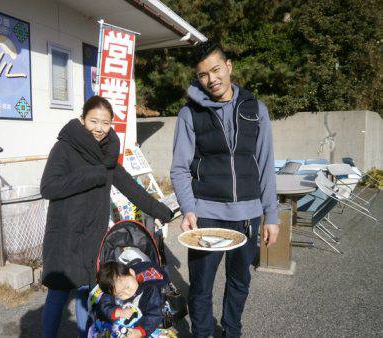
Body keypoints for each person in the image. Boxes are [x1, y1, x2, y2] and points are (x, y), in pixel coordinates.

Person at [170, 42, 279, 338]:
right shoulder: (189, 113)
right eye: (203, 74)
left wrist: (271, 215)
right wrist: (189, 209)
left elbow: (266, 163)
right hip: (207, 215)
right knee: (202, 285)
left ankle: (232, 331)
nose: (212, 79)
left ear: (228, 66)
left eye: (216, 69)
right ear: (198, 78)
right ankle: (203, 333)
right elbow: (179, 168)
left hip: (248, 215)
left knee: (240, 282)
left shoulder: (255, 108)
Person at [40, 95, 173, 338]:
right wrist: (95, 174)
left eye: (105, 123)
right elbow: (48, 187)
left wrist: (163, 212)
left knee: (87, 296)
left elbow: (131, 189)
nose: (99, 128)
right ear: (82, 120)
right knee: (57, 296)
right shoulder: (64, 147)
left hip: (93, 237)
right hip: (64, 238)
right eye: (93, 121)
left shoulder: (108, 154)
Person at [91, 261, 168, 338]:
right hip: (127, 323)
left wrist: (140, 331)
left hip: (147, 322)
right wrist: (117, 312)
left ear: (132, 273)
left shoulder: (151, 288)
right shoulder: (114, 288)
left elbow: (154, 314)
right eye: (120, 294)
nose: (127, 293)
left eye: (127, 287)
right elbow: (104, 304)